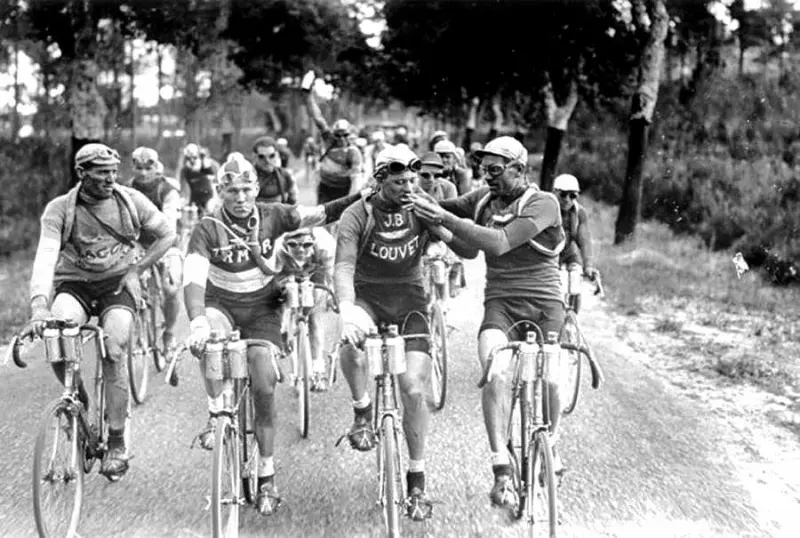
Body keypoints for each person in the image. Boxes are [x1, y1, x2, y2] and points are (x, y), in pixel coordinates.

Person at [183, 153, 363, 516]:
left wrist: (364, 196)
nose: (239, 197)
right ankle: (216, 412)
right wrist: (198, 321)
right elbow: (193, 276)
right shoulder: (206, 226)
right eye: (231, 191)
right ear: (220, 191)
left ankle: (266, 474)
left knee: (264, 383)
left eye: (246, 189)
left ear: (256, 189)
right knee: (211, 344)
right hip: (222, 304)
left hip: (264, 308)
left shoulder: (274, 214)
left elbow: (323, 213)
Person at [409, 136, 567, 511]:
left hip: (546, 304)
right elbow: (464, 244)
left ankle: (554, 442)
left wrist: (444, 219)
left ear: (520, 169)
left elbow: (496, 244)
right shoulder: (482, 199)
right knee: (494, 370)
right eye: (484, 171)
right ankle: (500, 465)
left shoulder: (544, 203)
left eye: (496, 171)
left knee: (552, 377)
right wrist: (410, 199)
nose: (488, 177)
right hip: (501, 305)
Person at [334, 145, 470, 522]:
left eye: (412, 180)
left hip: (410, 300)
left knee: (412, 389)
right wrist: (347, 311)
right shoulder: (356, 214)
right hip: (367, 296)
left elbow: (468, 250)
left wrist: (442, 220)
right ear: (379, 180)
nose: (408, 187)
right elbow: (343, 266)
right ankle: (362, 411)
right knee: (351, 343)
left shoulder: (421, 206)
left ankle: (417, 478)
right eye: (398, 182)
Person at [28, 143, 175, 481]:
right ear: (82, 174)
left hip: (116, 285)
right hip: (74, 285)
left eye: (113, 172)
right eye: (102, 173)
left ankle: (117, 440)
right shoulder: (59, 209)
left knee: (115, 346)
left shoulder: (129, 200)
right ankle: (76, 402)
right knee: (57, 339)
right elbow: (46, 256)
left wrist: (137, 270)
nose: (111, 179)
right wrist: (38, 304)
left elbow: (167, 233)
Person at [129, 147, 183, 354]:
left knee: (170, 289)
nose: (143, 173)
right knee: (130, 286)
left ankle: (169, 331)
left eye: (148, 167)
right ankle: (137, 333)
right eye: (138, 167)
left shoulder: (167, 190)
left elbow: (168, 224)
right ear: (133, 167)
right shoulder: (125, 189)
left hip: (166, 244)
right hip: (138, 244)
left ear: (156, 166)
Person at [273, 227, 336, 392]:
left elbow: (332, 273)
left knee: (315, 318)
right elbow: (271, 279)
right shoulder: (277, 247)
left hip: (316, 270)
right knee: (279, 299)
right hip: (286, 270)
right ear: (286, 245)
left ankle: (318, 368)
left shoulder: (324, 245)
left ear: (313, 242)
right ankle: (284, 330)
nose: (300, 249)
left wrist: (332, 295)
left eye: (306, 245)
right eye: (293, 245)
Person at [302, 71, 363, 204]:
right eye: (338, 135)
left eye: (345, 135)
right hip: (325, 186)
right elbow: (318, 118)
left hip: (343, 188)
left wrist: (352, 201)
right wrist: (308, 96)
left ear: (350, 135)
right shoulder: (329, 140)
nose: (341, 139)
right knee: (322, 218)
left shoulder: (353, 152)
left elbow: (356, 180)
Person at [418, 152, 462, 297]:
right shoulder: (409, 188)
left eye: (437, 176)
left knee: (440, 265)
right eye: (425, 175)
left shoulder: (448, 188)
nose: (431, 180)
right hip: (416, 238)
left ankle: (442, 301)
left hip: (440, 237)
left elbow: (452, 220)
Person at [553, 173, 597, 314]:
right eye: (563, 195)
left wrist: (588, 265)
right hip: (550, 255)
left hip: (570, 253)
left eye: (572, 196)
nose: (567, 200)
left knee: (575, 287)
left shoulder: (579, 213)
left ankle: (573, 320)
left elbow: (584, 240)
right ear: (555, 192)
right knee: (553, 290)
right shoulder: (546, 208)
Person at [252, 136, 298, 205]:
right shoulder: (249, 176)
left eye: (272, 156)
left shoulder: (285, 175)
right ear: (255, 157)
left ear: (277, 155)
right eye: (262, 157)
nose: (267, 161)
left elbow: (292, 202)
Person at [178, 143, 219, 216]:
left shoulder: (209, 164)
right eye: (189, 158)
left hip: (208, 195)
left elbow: (214, 180)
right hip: (195, 196)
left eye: (194, 157)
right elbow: (181, 184)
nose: (192, 160)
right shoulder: (185, 170)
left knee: (210, 210)